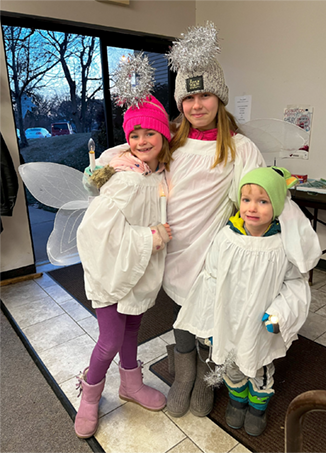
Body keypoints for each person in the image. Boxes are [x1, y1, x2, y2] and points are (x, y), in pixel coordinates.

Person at [86, 23, 321, 421]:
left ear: (220, 98)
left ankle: (208, 375)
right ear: (180, 102)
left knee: (210, 314)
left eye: (205, 95)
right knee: (181, 316)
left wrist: (297, 243)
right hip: (170, 248)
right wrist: (108, 166)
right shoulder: (170, 140)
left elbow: (263, 194)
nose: (197, 105)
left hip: (211, 252)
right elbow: (126, 152)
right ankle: (184, 374)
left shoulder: (240, 148)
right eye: (189, 96)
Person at [174, 166, 312, 436]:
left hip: (260, 324)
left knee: (258, 367)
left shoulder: (282, 246)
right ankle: (237, 402)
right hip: (227, 320)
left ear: (278, 205)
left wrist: (280, 314)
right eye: (247, 199)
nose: (252, 208)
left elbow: (295, 284)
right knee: (232, 367)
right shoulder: (226, 238)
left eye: (263, 201)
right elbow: (211, 280)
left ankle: (257, 408)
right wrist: (209, 325)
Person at [74, 94, 173, 439]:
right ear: (126, 139)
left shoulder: (159, 173)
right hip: (110, 268)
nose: (142, 141)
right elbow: (95, 230)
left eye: (150, 133)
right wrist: (150, 238)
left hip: (139, 267)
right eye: (135, 135)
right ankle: (89, 394)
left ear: (164, 136)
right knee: (110, 339)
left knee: (133, 327)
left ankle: (131, 383)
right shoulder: (123, 175)